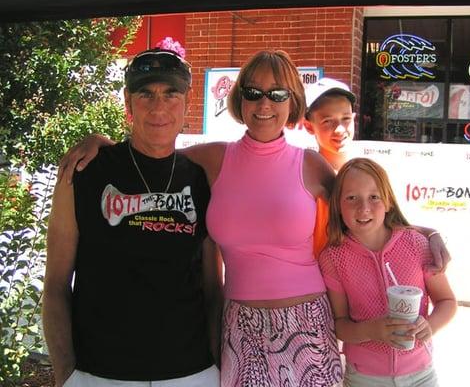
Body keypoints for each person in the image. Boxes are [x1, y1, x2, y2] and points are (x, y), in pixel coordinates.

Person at [56, 49, 343, 386]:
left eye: (277, 94)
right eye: (253, 92)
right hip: (240, 328)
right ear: (239, 99)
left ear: (292, 101)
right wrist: (101, 144)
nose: (264, 104)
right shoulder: (213, 160)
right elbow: (153, 150)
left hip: (305, 324)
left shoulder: (312, 165)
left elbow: (369, 216)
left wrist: (421, 238)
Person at [43, 47, 223, 387]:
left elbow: (214, 287)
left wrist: (214, 363)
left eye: (171, 94)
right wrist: (66, 375)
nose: (159, 107)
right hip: (98, 373)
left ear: (188, 100)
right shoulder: (84, 172)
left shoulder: (202, 179)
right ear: (128, 101)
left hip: (191, 372)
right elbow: (55, 284)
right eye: (146, 94)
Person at [319, 158, 457, 387]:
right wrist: (371, 330)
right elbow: (340, 325)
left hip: (420, 375)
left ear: (389, 202)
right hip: (364, 377)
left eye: (374, 197)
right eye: (351, 198)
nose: (363, 208)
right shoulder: (333, 258)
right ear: (338, 206)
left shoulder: (417, 244)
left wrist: (429, 326)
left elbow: (447, 301)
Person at [303, 77, 450, 268]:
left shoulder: (370, 174)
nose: (339, 129)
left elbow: (390, 225)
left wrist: (430, 233)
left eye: (345, 119)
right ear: (308, 126)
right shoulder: (303, 176)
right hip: (314, 281)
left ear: (354, 119)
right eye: (327, 121)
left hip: (356, 278)